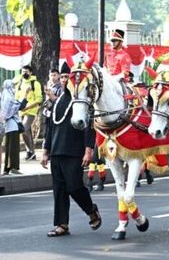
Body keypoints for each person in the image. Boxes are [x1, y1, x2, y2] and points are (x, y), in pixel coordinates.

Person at [41, 62, 102, 237]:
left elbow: (89, 125)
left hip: (74, 150)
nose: (64, 80)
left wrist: (88, 149)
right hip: (56, 151)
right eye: (62, 77)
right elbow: (51, 126)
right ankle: (62, 224)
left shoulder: (80, 99)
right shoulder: (58, 100)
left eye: (67, 77)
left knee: (75, 186)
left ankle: (91, 211)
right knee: (59, 189)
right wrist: (46, 150)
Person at [14, 64, 43, 161]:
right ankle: (31, 153)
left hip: (31, 111)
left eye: (26, 72)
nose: (24, 73)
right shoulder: (20, 83)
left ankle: (30, 151)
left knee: (23, 128)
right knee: (27, 132)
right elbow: (16, 97)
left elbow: (39, 99)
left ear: (30, 72)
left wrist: (27, 107)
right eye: (22, 72)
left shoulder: (35, 83)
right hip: (21, 111)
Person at [1, 80, 27, 175]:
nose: (13, 87)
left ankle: (7, 169)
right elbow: (18, 107)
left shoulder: (4, 96)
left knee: (8, 148)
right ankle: (14, 167)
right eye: (12, 85)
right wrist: (26, 95)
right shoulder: (8, 97)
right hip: (12, 125)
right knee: (14, 148)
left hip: (8, 125)